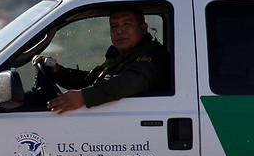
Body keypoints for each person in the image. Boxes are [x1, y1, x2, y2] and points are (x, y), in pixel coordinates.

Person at [39, 7, 169, 114]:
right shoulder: (122, 56)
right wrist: (58, 71)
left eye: (127, 24)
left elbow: (128, 82)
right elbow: (91, 80)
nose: (119, 31)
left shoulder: (150, 57)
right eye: (114, 26)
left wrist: (84, 97)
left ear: (143, 28)